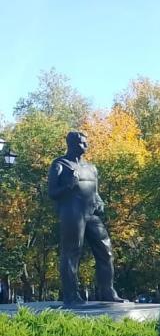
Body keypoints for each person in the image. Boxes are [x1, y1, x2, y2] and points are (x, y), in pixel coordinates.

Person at [47, 131, 125, 306]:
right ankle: (71, 295)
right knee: (72, 253)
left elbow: (95, 192)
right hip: (72, 213)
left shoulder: (91, 168)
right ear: (72, 144)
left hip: (91, 214)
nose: (86, 146)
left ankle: (107, 292)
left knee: (106, 251)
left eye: (86, 142)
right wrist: (68, 186)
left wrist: (100, 202)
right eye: (82, 143)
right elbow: (52, 193)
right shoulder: (60, 165)